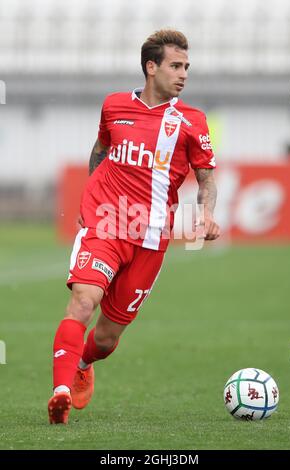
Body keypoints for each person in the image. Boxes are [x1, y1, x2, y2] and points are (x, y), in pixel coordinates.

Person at [48, 29, 220, 424]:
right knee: (83, 301)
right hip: (105, 226)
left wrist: (206, 213)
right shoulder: (113, 106)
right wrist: (91, 201)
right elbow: (100, 151)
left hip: (150, 239)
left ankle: (84, 363)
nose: (183, 74)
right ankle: (59, 393)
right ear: (151, 67)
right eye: (175, 66)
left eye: (187, 67)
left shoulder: (192, 122)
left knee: (107, 339)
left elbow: (207, 180)